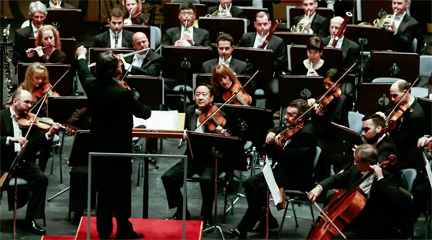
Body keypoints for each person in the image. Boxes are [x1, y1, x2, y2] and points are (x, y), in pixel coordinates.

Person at [76, 45, 151, 239]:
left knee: (103, 190)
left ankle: (104, 230)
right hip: (119, 149)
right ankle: (123, 228)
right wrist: (136, 95)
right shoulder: (121, 93)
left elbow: (83, 71)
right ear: (115, 70)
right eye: (119, 63)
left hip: (99, 147)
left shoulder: (91, 85)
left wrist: (82, 56)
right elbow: (144, 113)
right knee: (121, 189)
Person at [228, 99, 318, 238]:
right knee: (249, 183)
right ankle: (267, 221)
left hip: (297, 177)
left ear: (301, 117)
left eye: (290, 115)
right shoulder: (290, 125)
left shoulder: (307, 133)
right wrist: (270, 133)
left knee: (261, 189)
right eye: (286, 113)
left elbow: (294, 158)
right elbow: (274, 129)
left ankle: (243, 228)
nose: (286, 117)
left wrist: (279, 147)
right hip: (282, 171)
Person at [161, 84, 230, 227]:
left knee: (206, 180)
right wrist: (183, 133)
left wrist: (221, 134)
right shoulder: (190, 110)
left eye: (204, 94)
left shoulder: (221, 114)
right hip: (192, 157)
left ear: (211, 97)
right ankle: (182, 211)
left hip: (211, 159)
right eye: (197, 94)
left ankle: (207, 215)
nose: (200, 97)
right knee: (168, 177)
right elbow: (184, 130)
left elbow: (227, 140)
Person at [1, 88, 61, 235]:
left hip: (22, 161)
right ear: (15, 101)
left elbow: (34, 145)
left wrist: (48, 134)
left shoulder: (31, 120)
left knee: (41, 179)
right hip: (3, 162)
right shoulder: (1, 116)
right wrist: (10, 139)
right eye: (27, 102)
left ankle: (31, 220)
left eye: (31, 103)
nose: (30, 106)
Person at [307, 144, 400, 239]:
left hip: (370, 226)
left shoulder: (388, 178)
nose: (354, 163)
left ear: (367, 164)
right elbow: (338, 179)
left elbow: (394, 199)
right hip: (350, 219)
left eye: (356, 161)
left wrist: (380, 178)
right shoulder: (356, 170)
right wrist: (319, 187)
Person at [377, 79, 427, 222]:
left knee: (383, 172)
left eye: (395, 96)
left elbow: (399, 140)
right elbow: (390, 114)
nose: (392, 99)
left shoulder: (416, 115)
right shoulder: (402, 106)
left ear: (405, 93)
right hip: (398, 150)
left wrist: (385, 133)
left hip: (407, 157)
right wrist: (381, 114)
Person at [238, 11, 287, 75]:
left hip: (269, 75)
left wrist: (264, 65)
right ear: (255, 24)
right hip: (249, 73)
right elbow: (239, 56)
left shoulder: (279, 42)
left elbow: (280, 63)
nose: (262, 27)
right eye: (259, 24)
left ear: (270, 23)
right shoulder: (246, 37)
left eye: (265, 24)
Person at [13, 1, 47, 66]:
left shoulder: (51, 32)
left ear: (46, 16)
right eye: (36, 17)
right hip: (28, 69)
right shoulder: (20, 33)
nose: (39, 20)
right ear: (30, 16)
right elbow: (16, 60)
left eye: (42, 17)